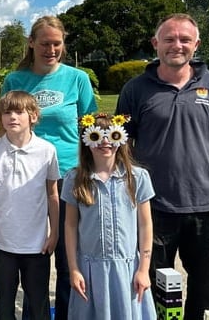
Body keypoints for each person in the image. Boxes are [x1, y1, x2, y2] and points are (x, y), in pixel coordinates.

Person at [116, 13, 209, 320]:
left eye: (184, 39)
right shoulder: (135, 90)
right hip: (153, 207)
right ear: (155, 43)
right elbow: (124, 146)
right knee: (153, 291)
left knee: (208, 294)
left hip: (207, 206)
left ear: (196, 44)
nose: (176, 45)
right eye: (169, 39)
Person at [2, 15, 97, 320]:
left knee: (70, 259)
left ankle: (70, 314)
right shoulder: (15, 81)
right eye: (45, 43)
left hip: (71, 176)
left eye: (57, 43)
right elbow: (4, 127)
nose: (51, 49)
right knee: (34, 257)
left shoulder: (77, 79)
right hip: (27, 180)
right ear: (31, 43)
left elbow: (90, 128)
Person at [63, 113, 156, 319]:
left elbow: (145, 225)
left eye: (111, 135)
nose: (105, 142)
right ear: (87, 140)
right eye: (97, 136)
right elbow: (70, 226)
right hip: (89, 271)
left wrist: (143, 269)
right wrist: (74, 269)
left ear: (120, 138)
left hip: (127, 271)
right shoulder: (74, 179)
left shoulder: (137, 178)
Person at [0, 91, 59, 320]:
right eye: (7, 112)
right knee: (4, 306)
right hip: (3, 245)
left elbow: (52, 193)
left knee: (38, 305)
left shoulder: (46, 151)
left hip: (36, 246)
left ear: (33, 116)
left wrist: (53, 233)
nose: (12, 117)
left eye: (19, 111)